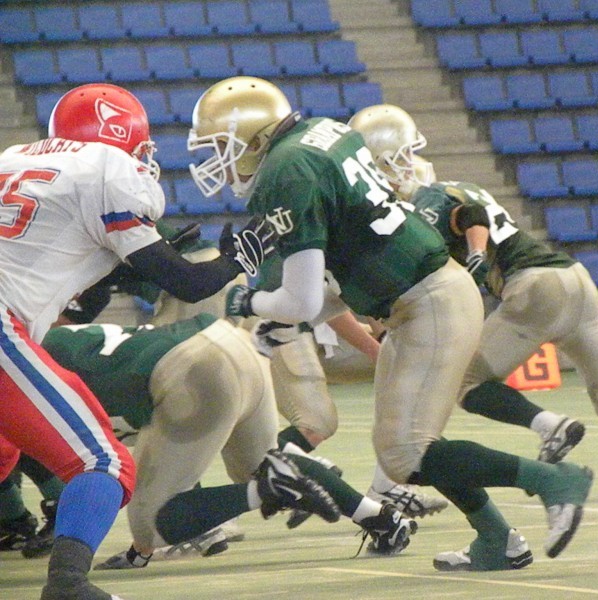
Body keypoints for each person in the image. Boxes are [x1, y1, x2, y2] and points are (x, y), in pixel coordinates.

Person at [189, 75, 594, 572]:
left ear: (253, 137)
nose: (219, 160)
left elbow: (301, 297)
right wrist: (287, 316)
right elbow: (342, 267)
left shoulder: (286, 170)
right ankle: (497, 539)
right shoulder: (319, 133)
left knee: (405, 453)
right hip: (418, 298)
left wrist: (249, 299)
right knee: (407, 445)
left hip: (428, 301)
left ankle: (554, 481)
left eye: (221, 146)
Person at [0, 81, 321, 600]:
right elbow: (188, 284)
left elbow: (72, 284)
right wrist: (238, 258)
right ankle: (68, 585)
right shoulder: (108, 167)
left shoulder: (13, 158)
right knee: (103, 462)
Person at [348, 104, 598, 500]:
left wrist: (475, 259)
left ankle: (549, 425)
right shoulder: (459, 186)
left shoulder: (429, 201)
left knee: (467, 383)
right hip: (574, 278)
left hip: (532, 287)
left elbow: (470, 217)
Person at [37, 314, 415, 570]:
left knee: (152, 521)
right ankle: (381, 518)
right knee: (265, 462)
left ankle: (271, 489)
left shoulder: (34, 373)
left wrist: (141, 547)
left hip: (193, 371)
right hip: (231, 343)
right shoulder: (59, 342)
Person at [244, 252, 450, 524]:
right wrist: (378, 350)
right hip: (282, 327)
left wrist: (385, 338)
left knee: (411, 363)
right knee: (317, 423)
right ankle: (302, 473)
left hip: (318, 329)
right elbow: (325, 306)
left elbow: (366, 295)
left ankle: (387, 487)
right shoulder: (313, 235)